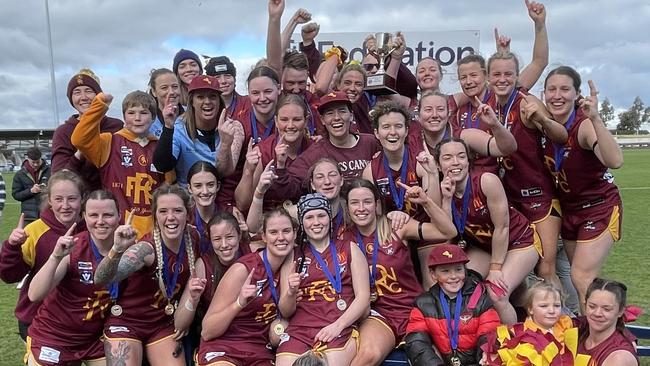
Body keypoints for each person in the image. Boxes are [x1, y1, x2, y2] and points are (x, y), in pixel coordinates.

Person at [342, 179, 456, 366]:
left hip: (414, 309)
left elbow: (448, 232)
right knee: (366, 356)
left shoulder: (396, 226)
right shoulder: (344, 239)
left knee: (434, 358)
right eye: (354, 203)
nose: (361, 208)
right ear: (347, 207)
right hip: (379, 313)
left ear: (377, 204)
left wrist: (426, 202)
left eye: (367, 202)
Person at [434, 137, 541, 325]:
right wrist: (446, 200)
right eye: (448, 158)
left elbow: (503, 227)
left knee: (496, 294)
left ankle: (512, 347)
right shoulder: (441, 189)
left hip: (519, 241)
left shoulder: (486, 181)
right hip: (485, 246)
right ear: (438, 164)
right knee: (460, 287)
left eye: (461, 156)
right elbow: (448, 233)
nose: (455, 162)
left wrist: (495, 268)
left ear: (469, 160)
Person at [541, 67, 623, 309]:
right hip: (570, 212)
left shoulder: (584, 125)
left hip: (598, 207)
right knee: (580, 281)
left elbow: (615, 160)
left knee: (582, 276)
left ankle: (602, 339)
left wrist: (596, 119)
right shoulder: (544, 125)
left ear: (576, 94)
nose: (557, 95)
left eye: (565, 89)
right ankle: (590, 330)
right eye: (551, 89)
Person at [486, 49, 568, 287]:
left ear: (516, 76)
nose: (502, 79)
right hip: (511, 200)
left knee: (546, 268)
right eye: (497, 74)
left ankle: (564, 321)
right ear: (488, 78)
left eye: (508, 74)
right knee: (524, 267)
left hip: (539, 198)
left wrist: (542, 120)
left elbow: (561, 136)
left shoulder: (527, 103)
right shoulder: (490, 105)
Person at [94, 184, 199, 366]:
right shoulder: (145, 250)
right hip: (127, 321)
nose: (170, 217)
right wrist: (117, 249)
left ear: (187, 214)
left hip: (161, 324)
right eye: (163, 211)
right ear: (155, 216)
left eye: (177, 210)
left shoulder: (194, 237)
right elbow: (101, 278)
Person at [26, 190, 131, 366]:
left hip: (94, 339)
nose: (100, 221)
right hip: (55, 336)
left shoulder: (129, 248)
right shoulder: (73, 247)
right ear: (84, 216)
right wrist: (55, 257)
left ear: (119, 215)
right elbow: (34, 295)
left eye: (107, 215)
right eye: (93, 215)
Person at [276, 193, 370, 366]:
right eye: (309, 217)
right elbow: (285, 310)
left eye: (321, 215)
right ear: (302, 223)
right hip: (299, 330)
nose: (316, 222)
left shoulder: (349, 248)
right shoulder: (293, 256)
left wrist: (338, 326)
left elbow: (364, 297)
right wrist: (290, 292)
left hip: (338, 325)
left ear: (330, 218)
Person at [197, 208, 296, 366]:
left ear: (295, 234)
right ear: (263, 236)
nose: (281, 237)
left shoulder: (292, 264)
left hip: (259, 351)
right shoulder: (243, 269)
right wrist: (239, 303)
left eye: (286, 231)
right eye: (273, 232)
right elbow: (207, 331)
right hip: (225, 347)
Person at [0, 170, 85, 341]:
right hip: (38, 319)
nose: (65, 205)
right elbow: (9, 276)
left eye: (72, 198)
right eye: (59, 199)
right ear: (50, 201)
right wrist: (12, 247)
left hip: (83, 321)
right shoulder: (34, 231)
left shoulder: (93, 230)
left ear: (82, 199)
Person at [71, 90, 167, 237]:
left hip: (152, 232)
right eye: (131, 113)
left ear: (153, 117)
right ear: (123, 116)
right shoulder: (110, 141)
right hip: (117, 232)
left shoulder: (160, 147)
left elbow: (168, 183)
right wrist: (99, 106)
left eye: (143, 113)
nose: (137, 118)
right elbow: (79, 139)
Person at [268, 91, 381, 202]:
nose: (336, 117)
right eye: (329, 113)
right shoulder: (314, 153)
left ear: (351, 115)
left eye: (342, 111)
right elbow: (289, 190)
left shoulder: (371, 142)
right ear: (322, 120)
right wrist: (281, 166)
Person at [405, 244, 500, 366]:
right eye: (445, 271)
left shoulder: (481, 300)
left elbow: (490, 332)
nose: (454, 276)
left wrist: (486, 353)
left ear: (465, 270)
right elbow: (416, 341)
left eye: (458, 269)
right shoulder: (423, 304)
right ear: (433, 274)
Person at [153, 75, 239, 188]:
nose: (207, 101)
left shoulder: (231, 128)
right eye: (200, 97)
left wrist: (225, 144)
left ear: (219, 101)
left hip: (220, 193)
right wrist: (168, 127)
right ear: (192, 102)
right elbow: (163, 166)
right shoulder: (179, 128)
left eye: (212, 97)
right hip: (188, 197)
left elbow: (224, 172)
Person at [217, 65, 281, 210]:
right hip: (244, 199)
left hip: (279, 196)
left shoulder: (287, 121)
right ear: (248, 94)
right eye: (256, 93)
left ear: (279, 88)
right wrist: (226, 144)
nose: (262, 98)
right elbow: (226, 170)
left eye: (268, 91)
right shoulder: (240, 125)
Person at [482, 281, 590, 365]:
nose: (552, 311)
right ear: (531, 309)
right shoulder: (519, 333)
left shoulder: (566, 323)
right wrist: (487, 354)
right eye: (544, 306)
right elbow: (494, 343)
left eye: (557, 305)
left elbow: (589, 321)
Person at [235, 93, 312, 212]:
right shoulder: (262, 151)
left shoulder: (314, 149)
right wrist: (249, 171)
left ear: (306, 121)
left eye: (296, 119)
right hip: (269, 220)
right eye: (284, 120)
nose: (290, 126)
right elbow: (242, 204)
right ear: (276, 121)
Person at [51, 69, 123, 191]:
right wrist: (82, 150)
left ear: (98, 95)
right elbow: (58, 178)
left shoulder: (116, 126)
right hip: (81, 203)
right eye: (77, 92)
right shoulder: (63, 132)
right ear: (71, 98)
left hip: (115, 202)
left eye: (88, 91)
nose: (83, 97)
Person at [576, 278, 639, 366]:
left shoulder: (619, 358)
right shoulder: (578, 329)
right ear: (585, 306)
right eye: (592, 306)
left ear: (620, 311)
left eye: (606, 309)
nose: (597, 313)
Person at [12, 147, 51, 224]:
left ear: (41, 158)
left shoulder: (50, 171)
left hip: (47, 215)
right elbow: (15, 195)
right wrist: (30, 191)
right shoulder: (20, 174)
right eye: (33, 162)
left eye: (38, 162)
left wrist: (47, 189)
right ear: (27, 159)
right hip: (28, 217)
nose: (36, 164)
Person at [148, 68, 183, 139]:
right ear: (154, 92)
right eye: (164, 88)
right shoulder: (148, 122)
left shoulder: (192, 115)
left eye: (175, 86)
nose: (171, 92)